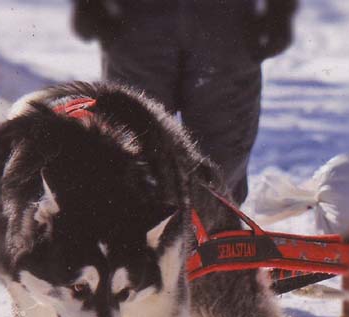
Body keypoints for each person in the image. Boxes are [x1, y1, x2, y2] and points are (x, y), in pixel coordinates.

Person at [70, 0, 298, 205]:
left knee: (222, 160)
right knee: (133, 147)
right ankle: (139, 242)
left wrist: (280, 8)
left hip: (227, 23)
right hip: (137, 22)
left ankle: (214, 240)